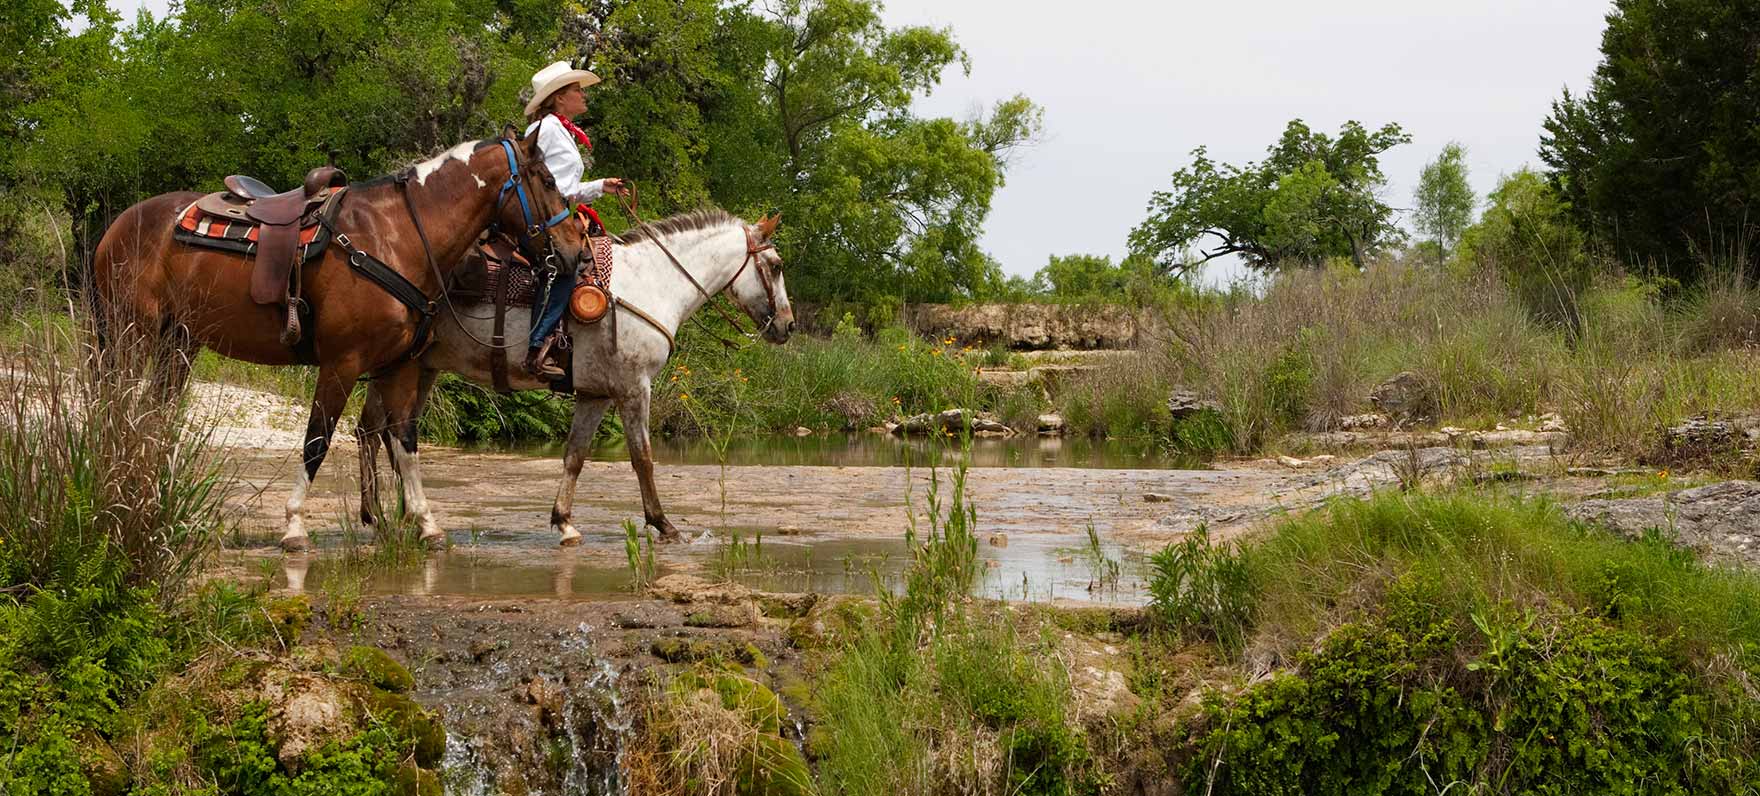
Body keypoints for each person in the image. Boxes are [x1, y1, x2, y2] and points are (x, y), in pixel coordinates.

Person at [521, 60, 627, 379]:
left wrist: (599, 187)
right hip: (542, 218)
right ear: (558, 98)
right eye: (577, 90)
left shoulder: (560, 129)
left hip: (558, 213)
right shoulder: (543, 130)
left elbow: (564, 186)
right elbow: (534, 180)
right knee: (566, 264)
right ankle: (537, 344)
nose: (584, 95)